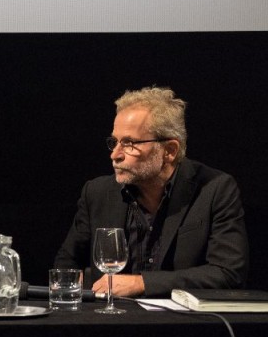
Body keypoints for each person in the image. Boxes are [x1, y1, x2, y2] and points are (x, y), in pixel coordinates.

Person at [54, 87, 248, 298]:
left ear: (170, 151)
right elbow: (66, 266)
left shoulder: (215, 189)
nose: (115, 155)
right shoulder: (97, 193)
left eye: (129, 143)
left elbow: (228, 273)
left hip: (184, 324)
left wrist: (143, 283)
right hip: (109, 321)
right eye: (114, 142)